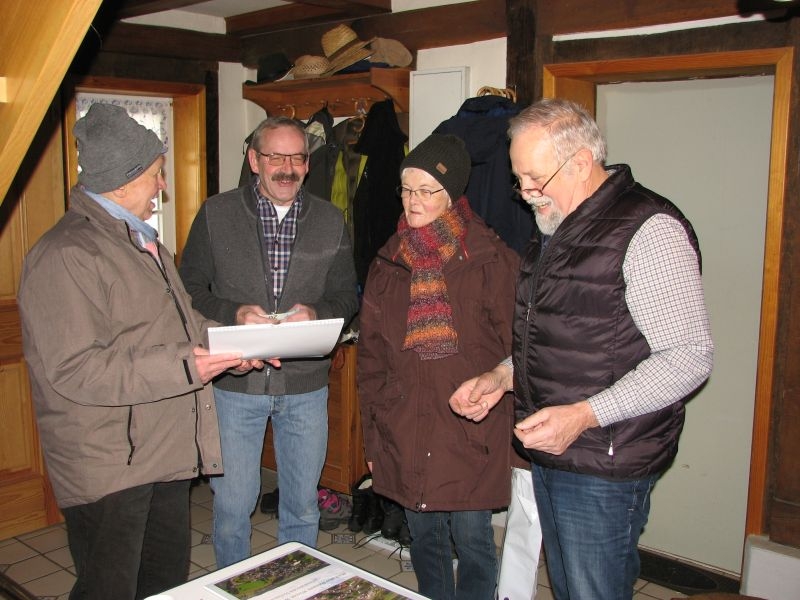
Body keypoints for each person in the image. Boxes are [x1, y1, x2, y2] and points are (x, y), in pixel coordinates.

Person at [449, 98, 714, 600]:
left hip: (605, 461)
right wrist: (502, 376)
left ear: (580, 163)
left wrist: (584, 416)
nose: (526, 194)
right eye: (519, 179)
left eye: (535, 178)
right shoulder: (557, 224)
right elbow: (561, 337)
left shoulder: (649, 229)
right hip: (557, 449)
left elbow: (688, 356)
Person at [17, 103, 264, 600]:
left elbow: (183, 324)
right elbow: (78, 369)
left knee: (163, 583)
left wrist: (234, 342)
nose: (162, 186)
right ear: (123, 180)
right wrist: (188, 365)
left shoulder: (143, 243)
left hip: (162, 448)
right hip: (109, 462)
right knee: (109, 588)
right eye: (155, 175)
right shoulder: (66, 255)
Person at [179, 116, 358, 568]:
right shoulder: (216, 213)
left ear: (308, 164)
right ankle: (231, 589)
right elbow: (189, 289)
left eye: (297, 157)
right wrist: (234, 312)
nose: (287, 167)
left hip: (306, 387)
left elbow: (346, 295)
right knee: (232, 508)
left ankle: (295, 588)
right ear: (254, 160)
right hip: (235, 384)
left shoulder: (330, 219)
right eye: (275, 156)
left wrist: (316, 312)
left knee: (302, 507)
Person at [358, 134, 520, 600]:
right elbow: (371, 359)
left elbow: (521, 348)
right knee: (423, 539)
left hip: (470, 426)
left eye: (426, 190)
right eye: (407, 189)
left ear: (452, 195)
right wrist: (373, 437)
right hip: (405, 424)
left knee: (472, 541)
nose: (413, 201)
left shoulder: (489, 258)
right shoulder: (389, 261)